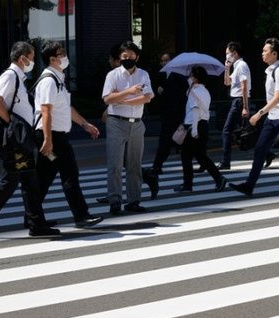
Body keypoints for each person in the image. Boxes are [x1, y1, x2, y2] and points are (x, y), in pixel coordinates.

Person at [0, 41, 60, 239]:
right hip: (15, 140)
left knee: (29, 180)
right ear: (22, 58)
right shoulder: (10, 75)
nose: (33, 62)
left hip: (20, 138)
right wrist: (10, 123)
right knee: (11, 181)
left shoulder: (18, 76)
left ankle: (36, 224)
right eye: (32, 58)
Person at [31, 40, 103, 228]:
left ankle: (32, 217)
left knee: (44, 178)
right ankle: (81, 216)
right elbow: (45, 111)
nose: (65, 56)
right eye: (62, 54)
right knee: (70, 174)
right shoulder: (48, 81)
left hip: (54, 137)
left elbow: (66, 108)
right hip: (52, 137)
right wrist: (48, 140)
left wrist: (85, 124)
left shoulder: (58, 79)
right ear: (52, 59)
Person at [229, 37, 279, 198]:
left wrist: (258, 114)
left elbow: (278, 97)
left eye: (265, 51)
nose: (262, 53)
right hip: (274, 116)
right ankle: (249, 185)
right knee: (260, 150)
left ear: (274, 54)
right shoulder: (273, 69)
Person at [102, 41, 154, 214]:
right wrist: (129, 92)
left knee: (134, 164)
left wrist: (122, 100)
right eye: (125, 56)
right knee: (115, 164)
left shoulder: (143, 74)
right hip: (116, 122)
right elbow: (108, 99)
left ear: (137, 57)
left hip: (137, 123)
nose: (128, 59)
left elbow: (147, 98)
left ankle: (133, 201)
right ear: (119, 57)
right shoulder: (113, 75)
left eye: (131, 56)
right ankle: (115, 200)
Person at [173, 65, 227, 193]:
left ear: (196, 78)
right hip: (203, 125)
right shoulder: (205, 91)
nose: (189, 77)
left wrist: (194, 130)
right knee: (201, 156)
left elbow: (195, 110)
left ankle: (188, 184)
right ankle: (218, 178)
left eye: (191, 75)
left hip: (194, 125)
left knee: (186, 156)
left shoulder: (194, 91)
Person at [149, 52, 188, 175]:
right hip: (167, 114)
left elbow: (183, 95)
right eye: (162, 61)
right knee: (165, 140)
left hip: (178, 114)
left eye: (167, 60)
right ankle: (157, 166)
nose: (164, 63)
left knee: (181, 143)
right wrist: (160, 91)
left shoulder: (179, 75)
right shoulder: (161, 75)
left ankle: (157, 166)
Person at [218, 41, 252, 170]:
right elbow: (227, 82)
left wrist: (245, 106)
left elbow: (244, 85)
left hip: (239, 101)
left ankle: (226, 161)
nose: (226, 56)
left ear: (235, 53)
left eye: (228, 53)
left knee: (226, 131)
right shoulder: (236, 66)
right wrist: (226, 69)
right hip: (237, 100)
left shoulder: (241, 65)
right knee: (246, 130)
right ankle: (267, 154)